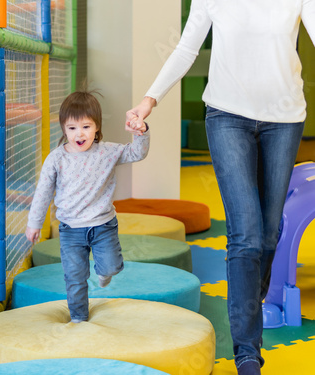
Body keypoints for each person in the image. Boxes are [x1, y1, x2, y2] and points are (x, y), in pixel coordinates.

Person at [125, 1, 315, 374]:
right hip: (227, 117)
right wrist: (150, 100)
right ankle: (248, 354)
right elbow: (186, 47)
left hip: (285, 118)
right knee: (245, 235)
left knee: (269, 233)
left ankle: (249, 293)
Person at [26, 90, 149, 323]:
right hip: (71, 229)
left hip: (103, 225)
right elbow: (43, 192)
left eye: (86, 127)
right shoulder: (56, 159)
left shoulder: (107, 152)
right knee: (74, 278)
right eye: (72, 128)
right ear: (63, 129)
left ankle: (104, 273)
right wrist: (34, 223)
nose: (79, 134)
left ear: (96, 128)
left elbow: (137, 153)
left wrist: (140, 132)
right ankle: (79, 319)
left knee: (111, 267)